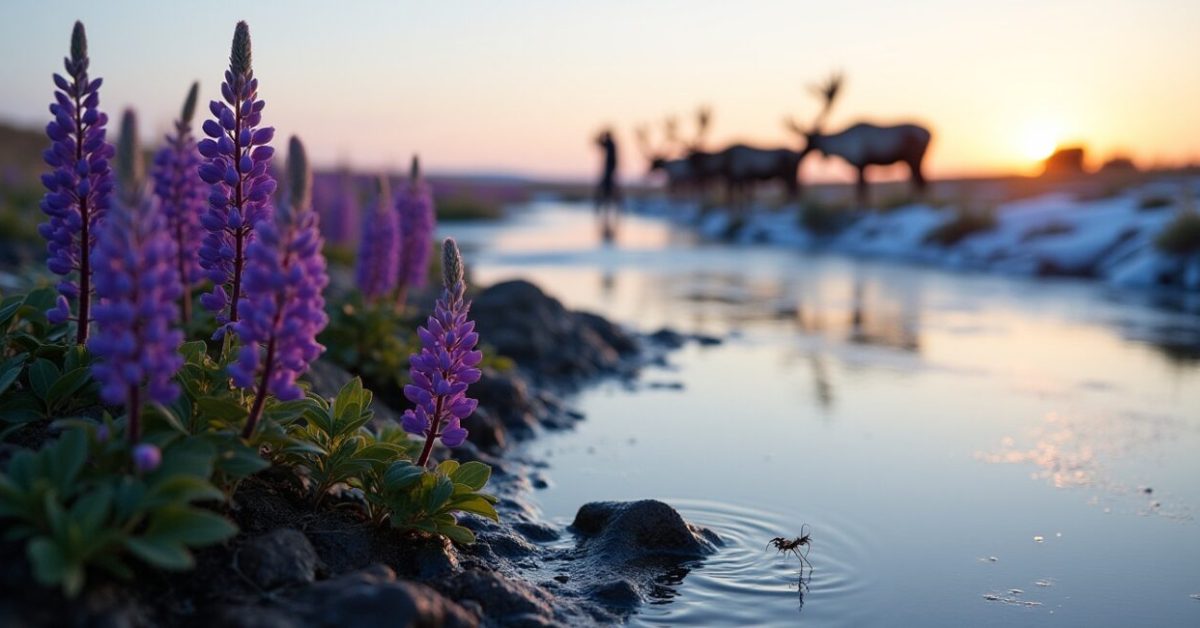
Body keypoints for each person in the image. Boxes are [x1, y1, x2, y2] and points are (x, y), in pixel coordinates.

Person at [594, 129, 620, 241]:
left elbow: (597, 142)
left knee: (607, 188)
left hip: (609, 170)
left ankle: (606, 205)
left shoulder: (610, 143)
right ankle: (607, 206)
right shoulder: (611, 143)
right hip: (609, 169)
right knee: (608, 188)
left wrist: (600, 135)